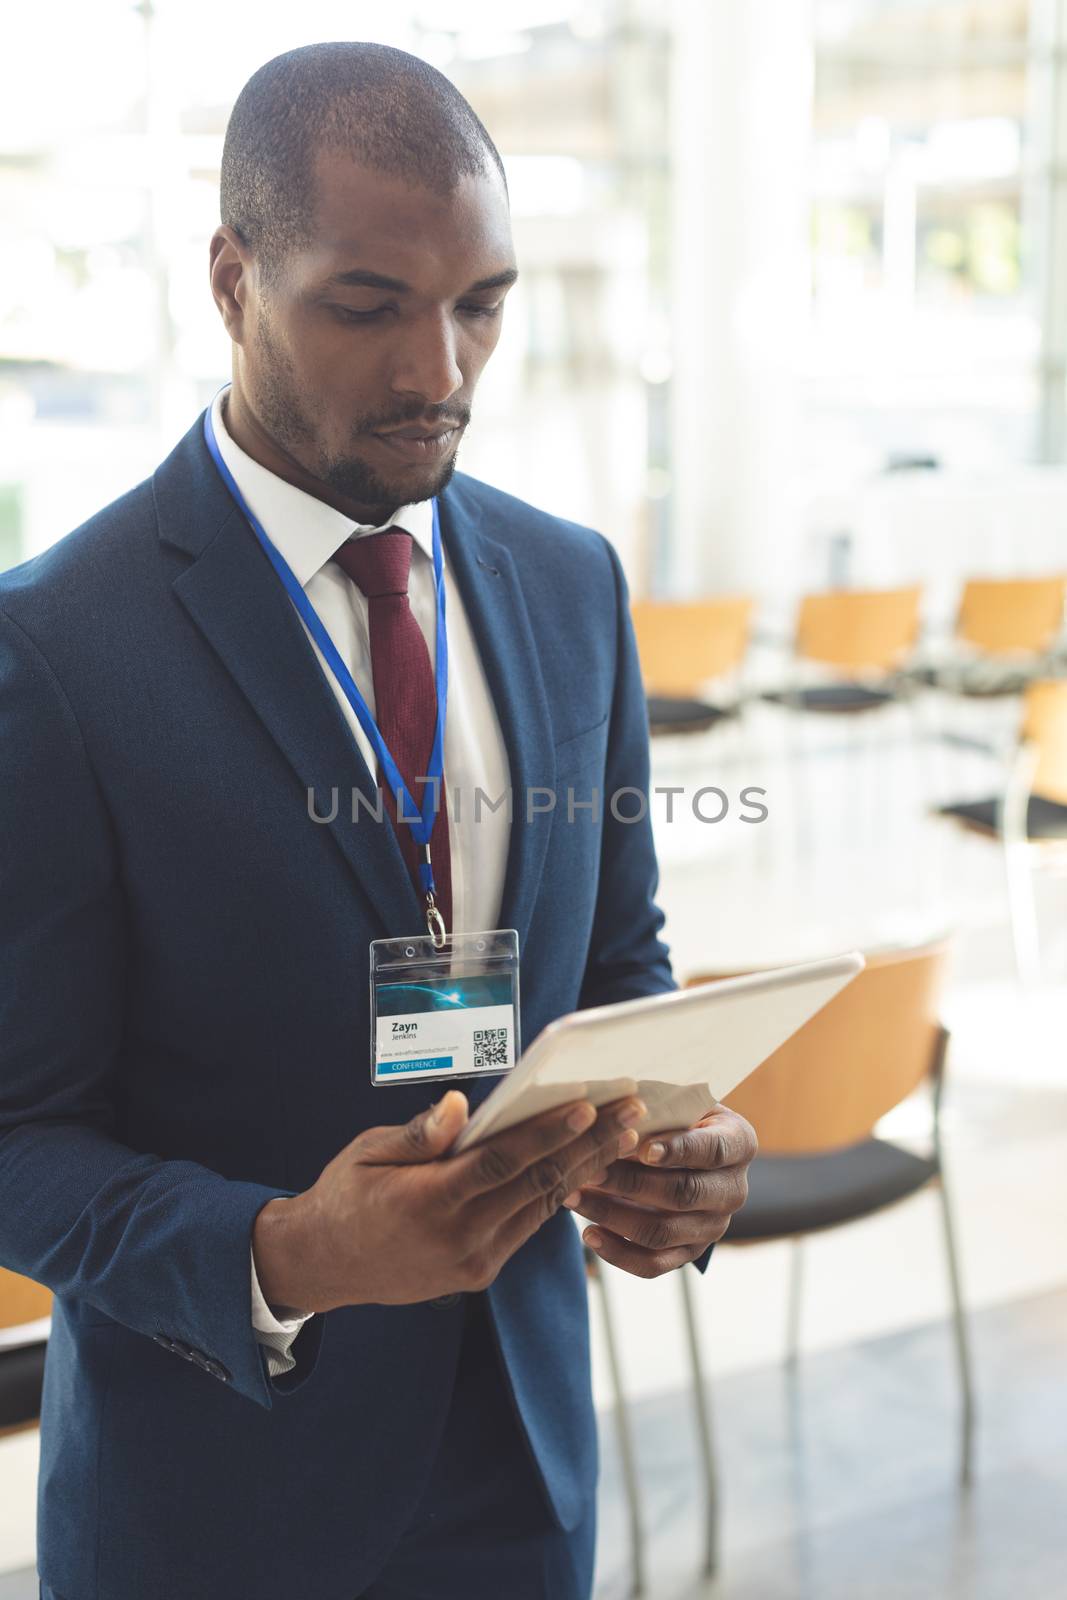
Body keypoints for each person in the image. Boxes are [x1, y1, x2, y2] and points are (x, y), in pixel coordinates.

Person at [0, 41, 756, 1600]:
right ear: (233, 276)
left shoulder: (570, 584)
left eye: (482, 303)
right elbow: (18, 1138)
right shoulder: (55, 650)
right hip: (220, 1515)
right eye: (368, 305)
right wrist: (287, 1254)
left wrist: (681, 1151)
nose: (441, 372)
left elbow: (618, 960)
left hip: (526, 1475)